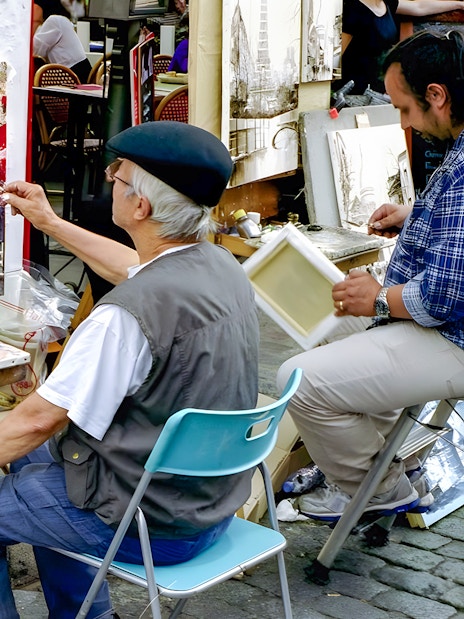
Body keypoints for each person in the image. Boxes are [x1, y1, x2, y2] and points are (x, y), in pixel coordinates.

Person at [0, 121, 259, 618]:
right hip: (209, 503)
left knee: (24, 457)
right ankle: (88, 614)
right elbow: (136, 269)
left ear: (140, 207)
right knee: (35, 460)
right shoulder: (218, 264)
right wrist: (49, 223)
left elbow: (38, 419)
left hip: (148, 520)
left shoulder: (123, 318)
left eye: (116, 176)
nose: (109, 177)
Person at [277, 28, 464, 519]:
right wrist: (417, 215)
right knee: (322, 321)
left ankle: (376, 487)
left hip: (453, 336)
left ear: (437, 96)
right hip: (441, 323)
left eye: (404, 108)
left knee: (298, 378)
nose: (405, 122)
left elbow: (444, 296)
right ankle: (362, 461)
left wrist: (380, 299)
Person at [336, 0, 464, 95]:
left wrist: (459, 4)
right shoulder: (353, 10)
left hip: (380, 90)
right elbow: (337, 56)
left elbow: (419, 7)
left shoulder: (386, 3)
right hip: (354, 91)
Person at [33, 2, 92, 84]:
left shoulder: (53, 21)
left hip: (72, 76)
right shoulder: (61, 19)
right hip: (78, 72)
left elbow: (36, 52)